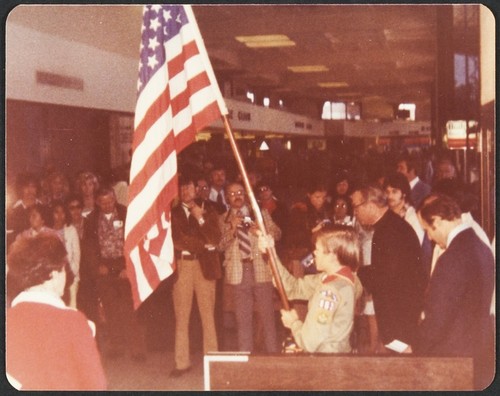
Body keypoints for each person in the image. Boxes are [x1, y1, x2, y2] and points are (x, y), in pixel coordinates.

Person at [6, 234, 106, 390]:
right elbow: (96, 385)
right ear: (54, 274)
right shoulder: (74, 322)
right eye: (64, 269)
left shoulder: (8, 319)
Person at [415, 194, 494, 390]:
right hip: (480, 351)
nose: (430, 238)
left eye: (427, 230)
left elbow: (439, 318)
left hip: (453, 357)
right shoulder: (481, 246)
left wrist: (415, 348)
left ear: (438, 222)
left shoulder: (452, 257)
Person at [258, 225, 363, 353]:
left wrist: (294, 323)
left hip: (324, 363)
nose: (314, 253)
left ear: (333, 254)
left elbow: (309, 342)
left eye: (318, 249)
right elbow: (292, 288)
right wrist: (271, 255)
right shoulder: (343, 279)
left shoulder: (329, 291)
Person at [350, 184, 426, 353]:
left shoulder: (390, 230)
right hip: (398, 312)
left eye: (356, 206)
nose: (354, 212)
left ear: (370, 205)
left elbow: (385, 276)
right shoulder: (388, 225)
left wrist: (355, 272)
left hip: (400, 314)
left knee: (403, 359)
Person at [81, 187, 146, 360]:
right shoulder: (91, 220)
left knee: (129, 308)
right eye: (103, 202)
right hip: (103, 268)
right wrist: (97, 267)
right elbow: (88, 247)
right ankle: (116, 345)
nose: (107, 205)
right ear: (97, 202)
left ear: (115, 198)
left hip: (124, 266)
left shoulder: (127, 214)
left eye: (110, 201)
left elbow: (136, 241)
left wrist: (128, 267)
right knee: (110, 309)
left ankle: (136, 349)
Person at [218, 181, 281, 353]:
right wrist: (232, 228)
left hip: (260, 268)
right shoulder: (223, 218)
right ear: (226, 198)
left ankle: (273, 357)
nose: (237, 196)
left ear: (245, 194)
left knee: (267, 317)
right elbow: (220, 246)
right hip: (239, 272)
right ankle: (246, 357)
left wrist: (260, 230)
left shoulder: (259, 213)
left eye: (240, 192)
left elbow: (277, 233)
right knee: (243, 320)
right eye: (232, 193)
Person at [170, 176, 222, 377]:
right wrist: (204, 245)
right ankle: (181, 363)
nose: (185, 191)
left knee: (207, 315)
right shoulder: (173, 213)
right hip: (183, 265)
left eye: (188, 186)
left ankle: (213, 361)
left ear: (196, 189)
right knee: (181, 316)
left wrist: (200, 218)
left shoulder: (208, 209)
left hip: (205, 267)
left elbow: (215, 238)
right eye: (181, 187)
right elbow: (178, 241)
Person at [50, 200, 81, 309]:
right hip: (52, 277)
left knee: (71, 307)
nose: (59, 216)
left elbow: (76, 256)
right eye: (56, 212)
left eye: (62, 212)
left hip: (70, 275)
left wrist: (70, 274)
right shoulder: (48, 232)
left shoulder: (71, 230)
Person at [6, 172, 43, 249]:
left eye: (33, 186)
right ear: (20, 189)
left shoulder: (44, 208)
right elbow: (8, 238)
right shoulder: (12, 211)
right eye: (26, 187)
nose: (30, 190)